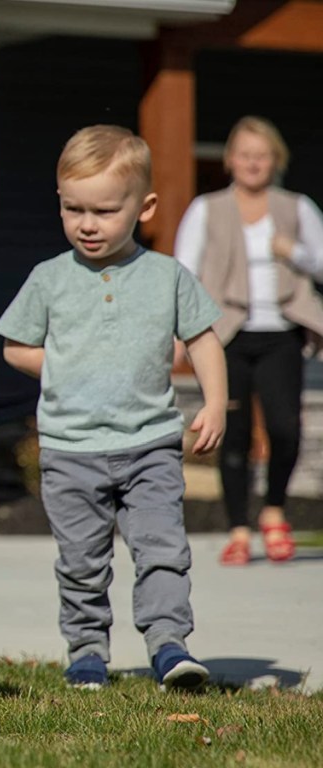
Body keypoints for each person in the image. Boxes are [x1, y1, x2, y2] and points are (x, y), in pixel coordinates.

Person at [0, 125, 227, 691]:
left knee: (163, 550)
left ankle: (170, 646)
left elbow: (203, 339)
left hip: (149, 445)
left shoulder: (167, 276)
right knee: (81, 562)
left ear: (143, 207)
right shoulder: (49, 279)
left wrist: (215, 402)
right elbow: (15, 347)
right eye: (73, 209)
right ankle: (87, 652)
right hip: (72, 451)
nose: (87, 224)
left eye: (103, 210)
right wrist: (65, 367)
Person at [175, 116, 323, 566]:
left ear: (275, 160)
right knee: (232, 433)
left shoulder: (297, 207)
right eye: (245, 154)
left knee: (286, 428)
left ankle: (274, 509)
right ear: (230, 160)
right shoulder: (206, 208)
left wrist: (291, 251)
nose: (253, 163)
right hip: (226, 333)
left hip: (280, 332)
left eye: (261, 155)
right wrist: (181, 335)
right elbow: (183, 271)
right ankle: (238, 528)